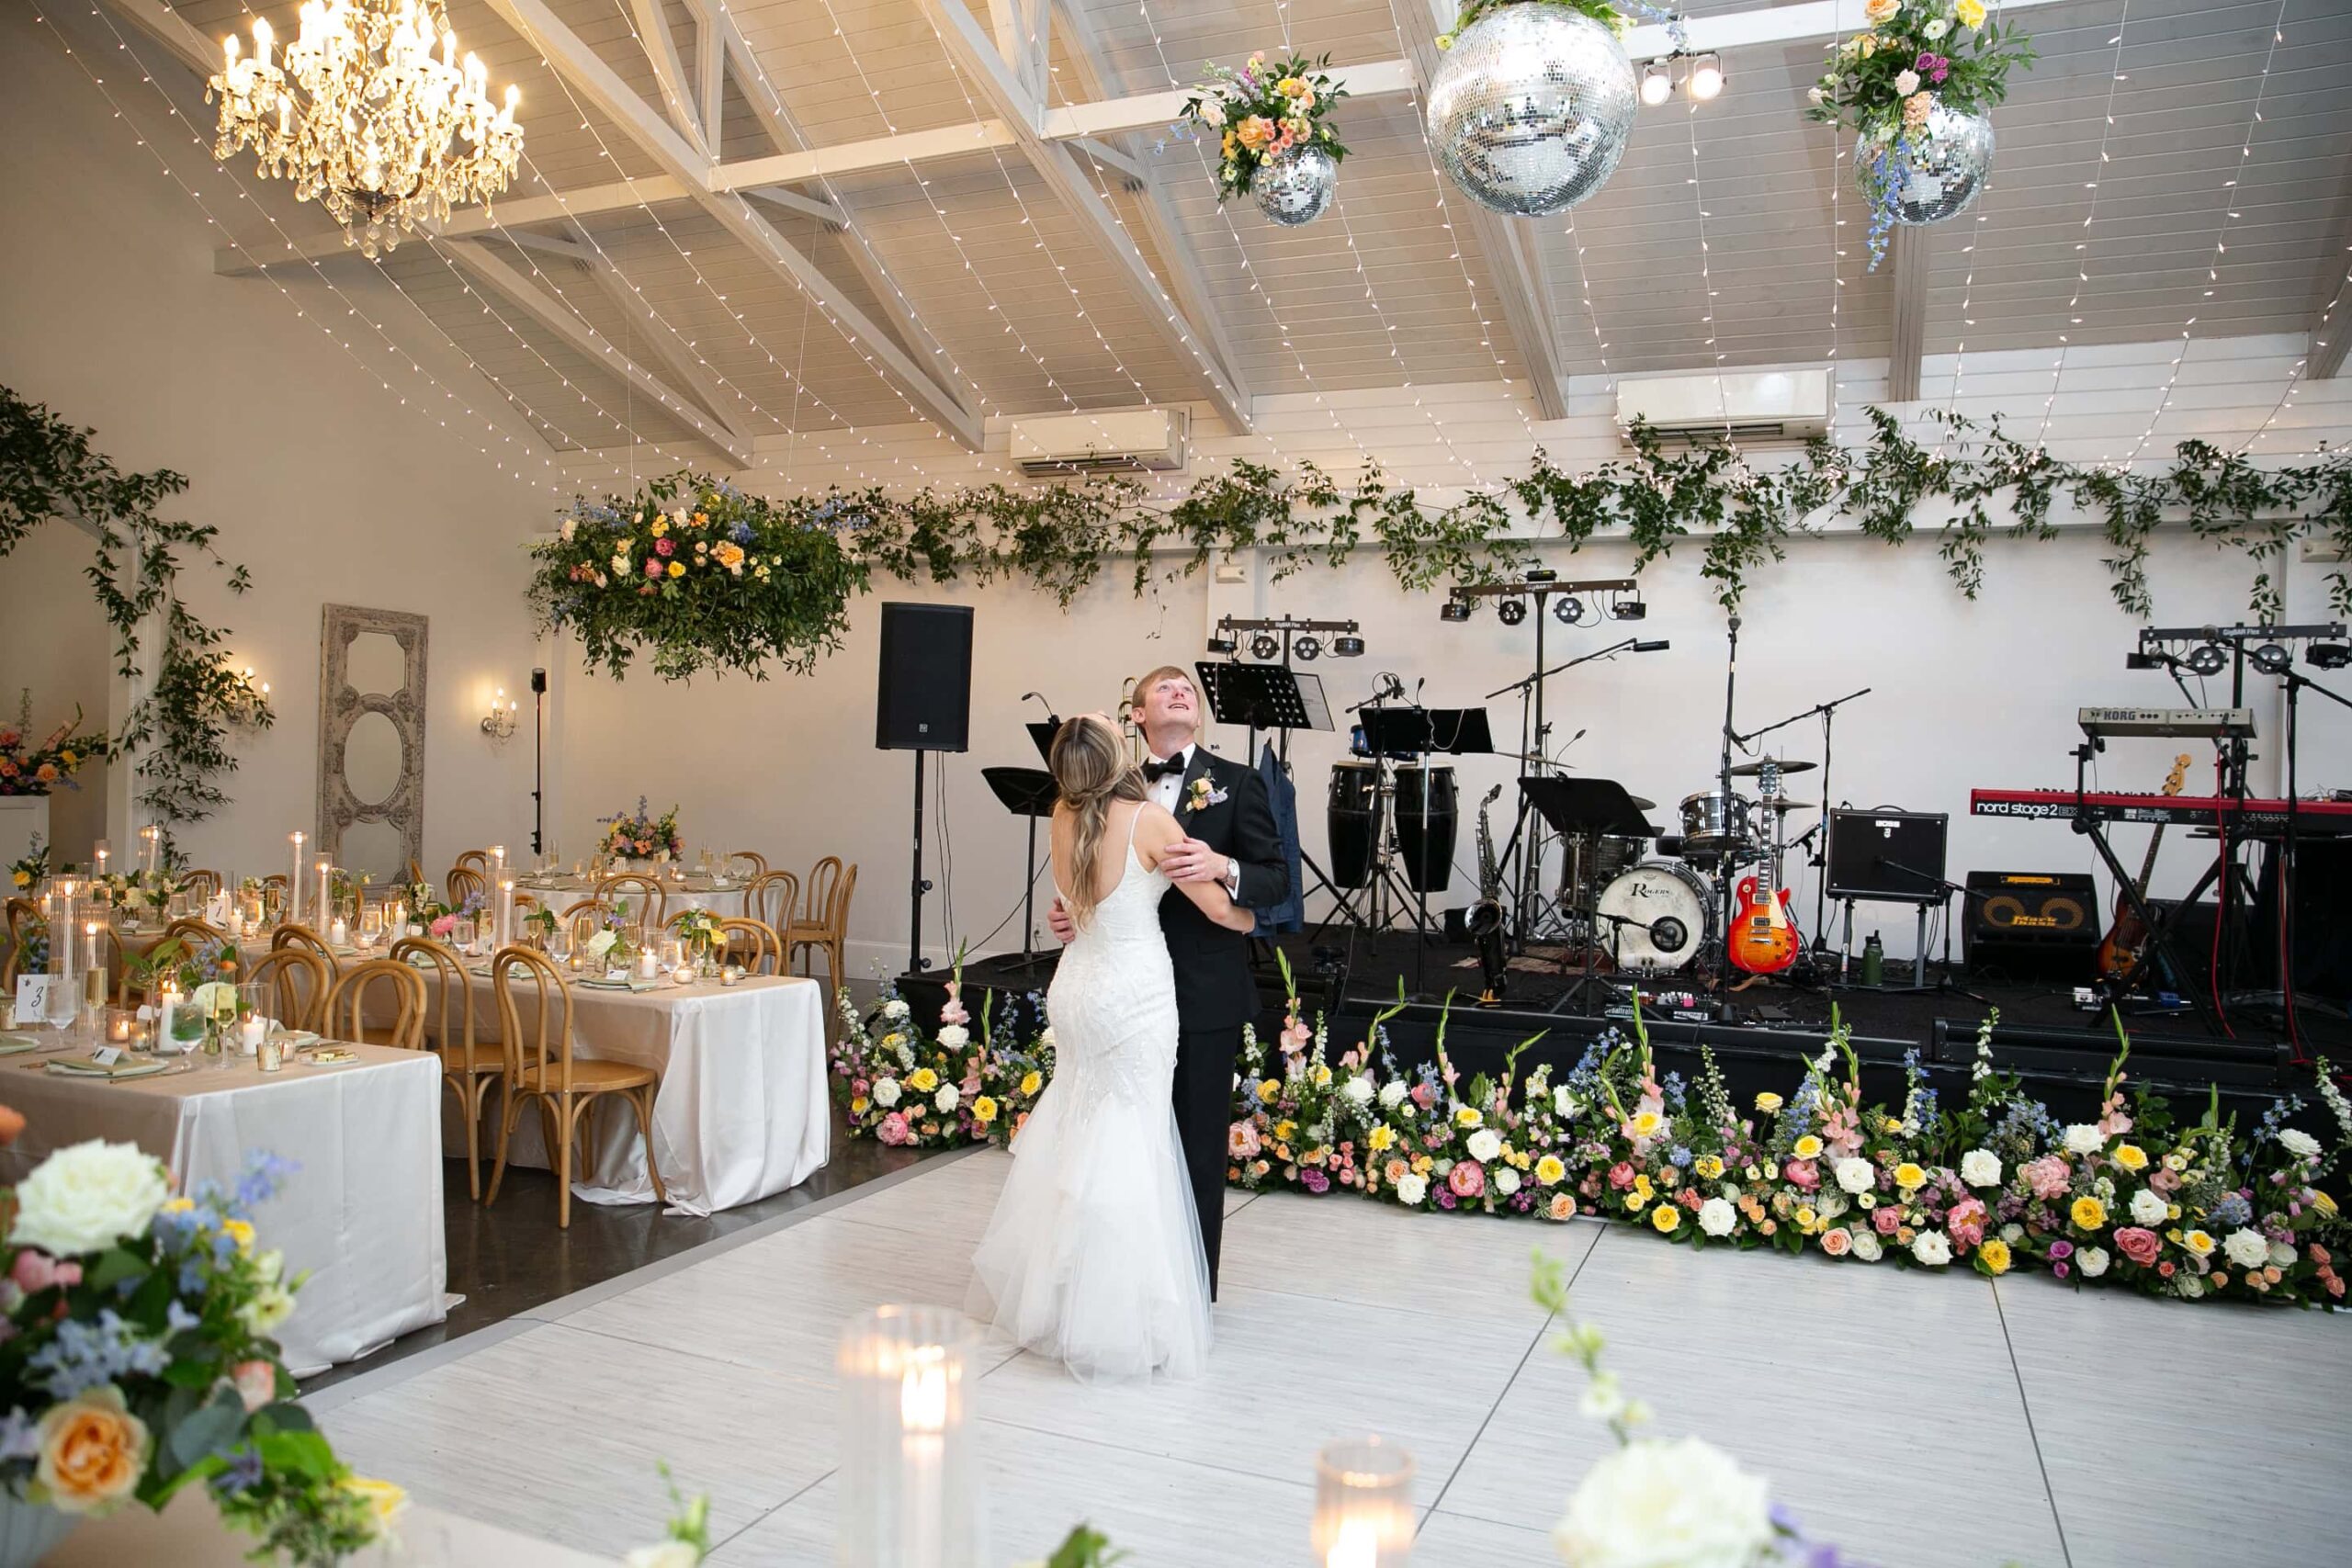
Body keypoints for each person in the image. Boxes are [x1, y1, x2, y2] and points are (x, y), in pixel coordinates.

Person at [966, 714, 1254, 1382]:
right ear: (1116, 751)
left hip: (1076, 991)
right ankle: (1121, 1318)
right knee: (1133, 1141)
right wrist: (1254, 917)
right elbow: (1214, 907)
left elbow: (1073, 905)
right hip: (1132, 996)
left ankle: (1060, 1300)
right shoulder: (1151, 817)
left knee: (1078, 1134)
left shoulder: (1061, 813)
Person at [1046, 666, 1287, 1294]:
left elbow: (1277, 877)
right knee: (1122, 1142)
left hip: (1201, 993)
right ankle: (1117, 1287)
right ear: (1137, 715)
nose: (1182, 691)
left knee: (1197, 1150)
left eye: (1189, 688)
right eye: (1165, 687)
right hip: (1129, 991)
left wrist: (1225, 864)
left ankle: (1190, 1293)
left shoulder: (1239, 782)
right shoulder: (1104, 800)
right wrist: (1075, 914)